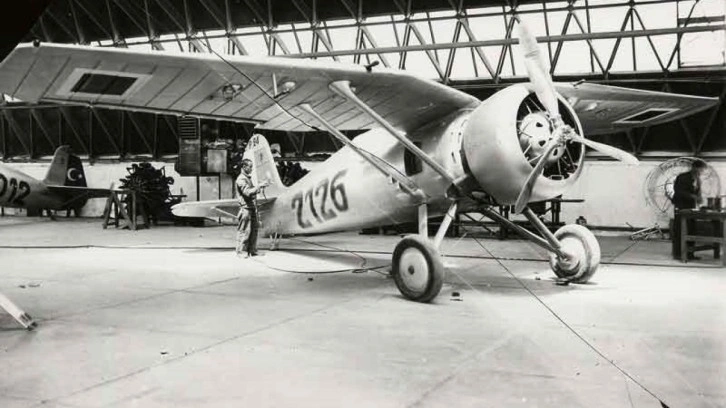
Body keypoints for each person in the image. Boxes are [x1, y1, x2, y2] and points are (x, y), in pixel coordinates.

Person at [671, 159, 707, 259]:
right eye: (701, 169)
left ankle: (690, 253)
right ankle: (678, 254)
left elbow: (696, 192)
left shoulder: (697, 179)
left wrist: (699, 197)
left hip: (690, 207)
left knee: (691, 229)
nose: (702, 172)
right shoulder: (682, 177)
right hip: (681, 206)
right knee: (680, 229)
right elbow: (678, 191)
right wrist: (693, 196)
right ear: (695, 168)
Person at [235, 159, 269, 258]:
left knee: (254, 230)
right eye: (250, 166)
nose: (251, 169)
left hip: (251, 207)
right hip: (245, 209)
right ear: (244, 167)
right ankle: (241, 252)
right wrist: (259, 186)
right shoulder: (241, 179)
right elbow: (247, 192)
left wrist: (260, 187)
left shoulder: (247, 178)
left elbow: (252, 191)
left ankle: (252, 250)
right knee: (244, 230)